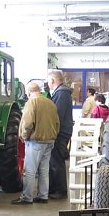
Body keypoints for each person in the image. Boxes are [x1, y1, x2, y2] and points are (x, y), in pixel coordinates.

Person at [12, 81, 59, 205]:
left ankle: (27, 197)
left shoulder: (32, 102)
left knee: (30, 171)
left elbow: (28, 122)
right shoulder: (50, 103)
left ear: (28, 92)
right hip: (49, 141)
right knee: (44, 170)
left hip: (36, 142)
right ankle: (43, 196)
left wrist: (24, 136)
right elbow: (57, 123)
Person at [46, 69, 74, 200]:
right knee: (55, 161)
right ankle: (55, 189)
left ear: (52, 80)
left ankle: (60, 191)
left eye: (48, 81)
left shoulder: (61, 94)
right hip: (62, 131)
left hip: (60, 133)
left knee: (56, 161)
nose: (48, 84)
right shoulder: (62, 92)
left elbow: (57, 115)